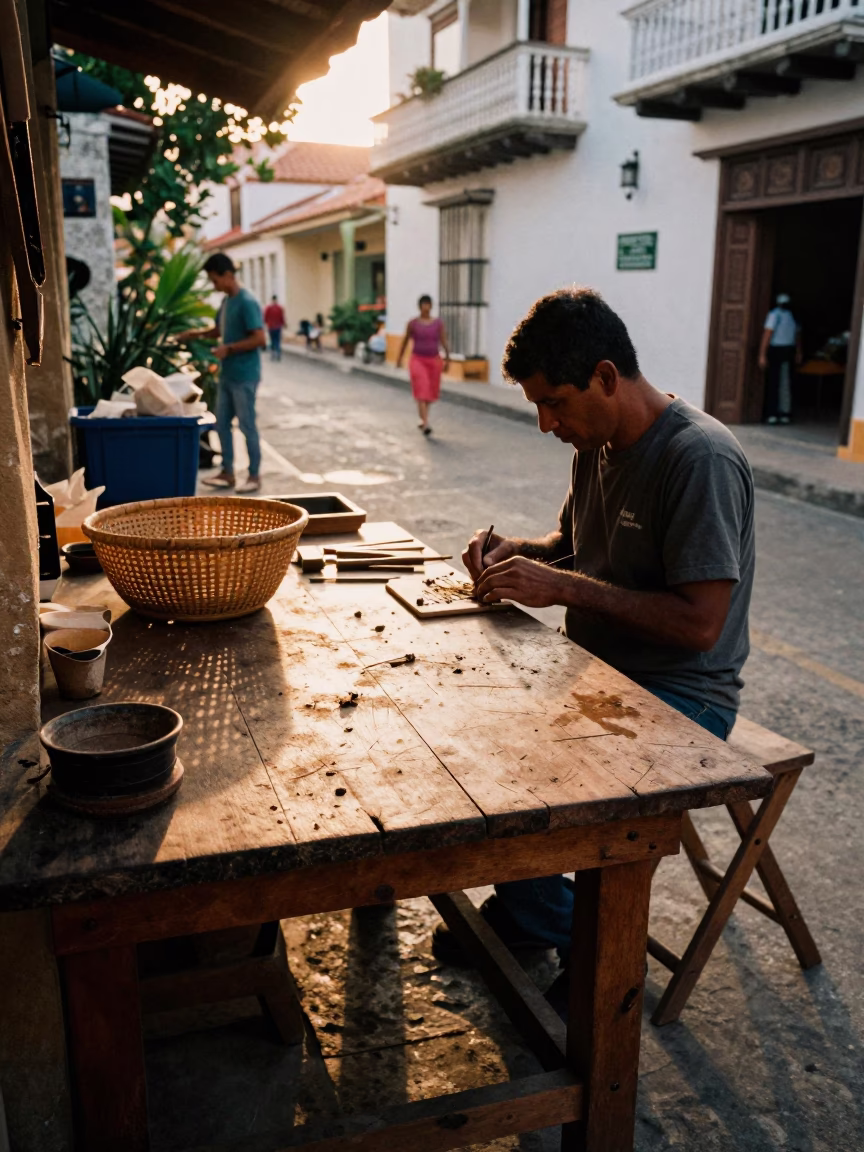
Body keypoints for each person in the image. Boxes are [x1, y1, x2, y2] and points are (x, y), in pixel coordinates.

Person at [432, 287, 756, 995]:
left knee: (539, 779)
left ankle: (588, 931)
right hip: (594, 672)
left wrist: (569, 589)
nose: (548, 424)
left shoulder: (698, 458)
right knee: (465, 740)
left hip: (681, 694)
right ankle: (545, 915)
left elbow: (701, 624)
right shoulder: (597, 443)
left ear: (607, 377)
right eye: (538, 408)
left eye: (556, 404)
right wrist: (517, 552)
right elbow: (574, 549)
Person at [176, 252, 266, 494]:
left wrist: (229, 348)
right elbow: (219, 330)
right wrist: (193, 335)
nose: (214, 286)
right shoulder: (227, 302)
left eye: (215, 280)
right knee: (222, 423)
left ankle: (254, 475)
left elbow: (259, 338)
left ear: (227, 275)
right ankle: (228, 472)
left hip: (245, 374)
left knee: (247, 425)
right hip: (227, 374)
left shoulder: (247, 301)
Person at [396, 294, 450, 436]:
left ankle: (423, 418)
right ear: (419, 306)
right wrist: (399, 358)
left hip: (434, 361)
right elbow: (405, 341)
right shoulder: (412, 323)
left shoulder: (438, 323)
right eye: (423, 305)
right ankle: (425, 423)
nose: (426, 307)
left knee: (430, 392)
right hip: (417, 360)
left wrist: (448, 359)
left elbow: (444, 341)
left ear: (431, 306)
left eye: (428, 304)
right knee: (422, 388)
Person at [758, 292, 802, 425]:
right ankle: (772, 413)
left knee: (784, 382)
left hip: (787, 350)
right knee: (775, 382)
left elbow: (797, 335)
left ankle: (783, 412)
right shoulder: (774, 315)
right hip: (776, 350)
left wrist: (798, 352)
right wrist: (763, 354)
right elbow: (768, 334)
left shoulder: (792, 316)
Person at [263, 295, 285, 362]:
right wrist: (283, 324)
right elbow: (282, 318)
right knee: (277, 341)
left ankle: (273, 354)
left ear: (272, 300)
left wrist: (266, 323)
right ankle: (278, 354)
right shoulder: (279, 308)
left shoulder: (268, 308)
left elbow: (265, 318)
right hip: (278, 327)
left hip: (271, 327)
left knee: (273, 341)